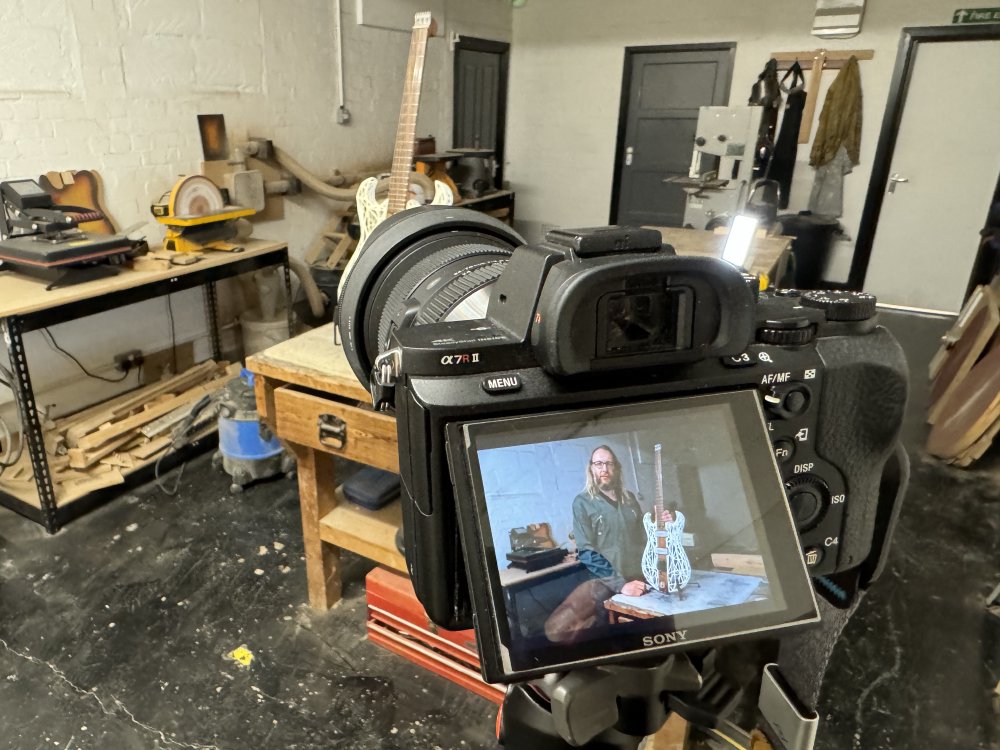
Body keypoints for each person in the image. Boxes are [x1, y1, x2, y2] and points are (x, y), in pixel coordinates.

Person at [572, 445, 672, 597]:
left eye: (609, 463)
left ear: (616, 468)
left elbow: (645, 538)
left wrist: (659, 525)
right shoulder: (582, 503)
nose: (604, 469)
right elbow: (587, 551)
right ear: (591, 469)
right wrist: (621, 585)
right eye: (598, 464)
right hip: (607, 586)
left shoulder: (630, 499)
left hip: (641, 579)